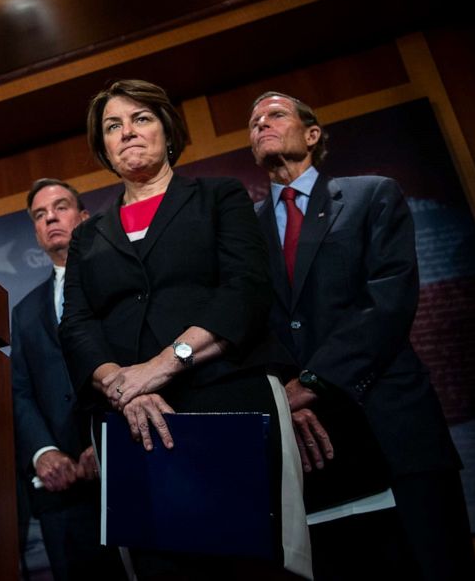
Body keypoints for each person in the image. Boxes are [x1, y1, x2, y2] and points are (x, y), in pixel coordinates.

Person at [59, 80, 311, 579]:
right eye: (113, 126)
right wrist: (123, 387)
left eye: (141, 118)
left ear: (168, 130)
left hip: (227, 399)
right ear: (103, 147)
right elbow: (77, 326)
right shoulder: (87, 235)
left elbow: (246, 292)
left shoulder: (220, 196)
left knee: (251, 563)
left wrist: (157, 368)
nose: (127, 132)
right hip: (132, 422)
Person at [248, 91, 475, 581]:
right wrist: (288, 395)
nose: (261, 124)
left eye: (275, 115)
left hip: (393, 422)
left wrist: (310, 381)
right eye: (254, 122)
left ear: (312, 135)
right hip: (314, 444)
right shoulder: (246, 232)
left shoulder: (372, 194)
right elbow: (252, 326)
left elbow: (388, 300)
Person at [11, 178, 127, 580]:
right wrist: (43, 452)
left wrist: (107, 439)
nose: (50, 219)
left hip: (129, 469)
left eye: (60, 207)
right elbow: (20, 391)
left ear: (83, 216)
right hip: (63, 495)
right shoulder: (24, 314)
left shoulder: (122, 285)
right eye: (39, 215)